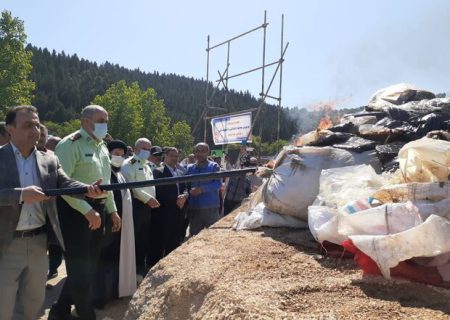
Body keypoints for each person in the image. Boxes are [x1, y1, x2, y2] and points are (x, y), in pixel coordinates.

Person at [0, 105, 105, 320]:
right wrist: (20, 195)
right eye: (28, 125)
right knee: (4, 304)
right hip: (6, 244)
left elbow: (65, 183)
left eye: (37, 125)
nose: (35, 130)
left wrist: (87, 190)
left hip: (39, 243)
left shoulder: (49, 159)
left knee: (34, 303)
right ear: (10, 129)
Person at [49, 105, 121, 320]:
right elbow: (62, 186)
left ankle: (60, 310)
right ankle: (85, 313)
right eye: (101, 120)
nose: (104, 125)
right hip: (76, 211)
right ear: (85, 121)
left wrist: (113, 211)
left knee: (88, 265)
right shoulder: (70, 145)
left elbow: (106, 184)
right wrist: (87, 210)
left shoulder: (101, 146)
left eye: (106, 120)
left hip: (97, 209)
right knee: (80, 267)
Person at [94, 140, 136, 308]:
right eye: (115, 154)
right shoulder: (104, 173)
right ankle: (100, 298)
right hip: (108, 226)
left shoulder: (120, 174)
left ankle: (113, 292)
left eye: (121, 154)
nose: (118, 157)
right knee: (103, 261)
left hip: (120, 226)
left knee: (115, 261)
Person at [121, 138, 160, 277]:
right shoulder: (129, 164)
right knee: (135, 238)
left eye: (149, 149)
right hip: (136, 205)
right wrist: (147, 198)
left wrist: (150, 199)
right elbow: (132, 186)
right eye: (145, 148)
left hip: (147, 206)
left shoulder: (147, 165)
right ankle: (132, 270)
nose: (147, 151)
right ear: (136, 149)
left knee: (143, 238)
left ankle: (140, 266)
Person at [148, 147, 188, 267]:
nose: (174, 159)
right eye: (172, 156)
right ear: (165, 156)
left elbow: (185, 188)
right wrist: (174, 200)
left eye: (176, 156)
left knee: (174, 242)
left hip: (177, 214)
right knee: (159, 243)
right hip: (163, 215)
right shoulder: (158, 172)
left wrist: (184, 196)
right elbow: (157, 193)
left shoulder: (181, 172)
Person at [186, 143, 222, 236]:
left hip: (210, 208)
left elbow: (218, 183)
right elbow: (186, 186)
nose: (200, 154)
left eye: (203, 151)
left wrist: (202, 189)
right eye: (197, 151)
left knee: (213, 236)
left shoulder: (214, 166)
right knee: (194, 237)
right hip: (194, 208)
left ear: (207, 153)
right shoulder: (190, 168)